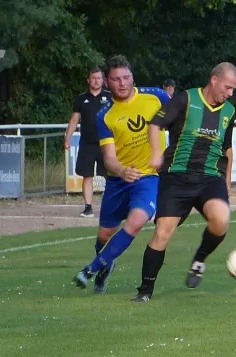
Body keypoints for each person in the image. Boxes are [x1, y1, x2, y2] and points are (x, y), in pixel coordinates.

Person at [132, 62, 236, 302]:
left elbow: (227, 148)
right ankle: (145, 290)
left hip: (210, 178)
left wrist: (228, 181)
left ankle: (199, 259)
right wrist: (157, 153)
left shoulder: (229, 111)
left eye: (234, 89)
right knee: (163, 232)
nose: (230, 93)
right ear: (214, 79)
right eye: (228, 87)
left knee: (221, 220)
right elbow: (155, 124)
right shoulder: (185, 99)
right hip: (177, 176)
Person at [72, 55, 169, 294]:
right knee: (104, 235)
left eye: (126, 77)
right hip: (118, 180)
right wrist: (122, 171)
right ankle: (105, 265)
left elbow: (180, 118)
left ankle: (89, 270)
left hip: (148, 177)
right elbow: (109, 158)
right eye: (116, 79)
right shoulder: (104, 115)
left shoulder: (156, 96)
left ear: (132, 77)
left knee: (136, 222)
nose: (122, 83)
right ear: (107, 82)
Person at [64, 67, 112, 217]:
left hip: (106, 142)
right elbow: (74, 120)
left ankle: (112, 206)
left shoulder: (111, 97)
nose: (96, 81)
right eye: (93, 78)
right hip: (87, 143)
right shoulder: (81, 98)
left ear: (103, 81)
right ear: (88, 80)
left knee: (110, 175)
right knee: (87, 175)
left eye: (99, 78)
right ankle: (88, 207)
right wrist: (67, 138)